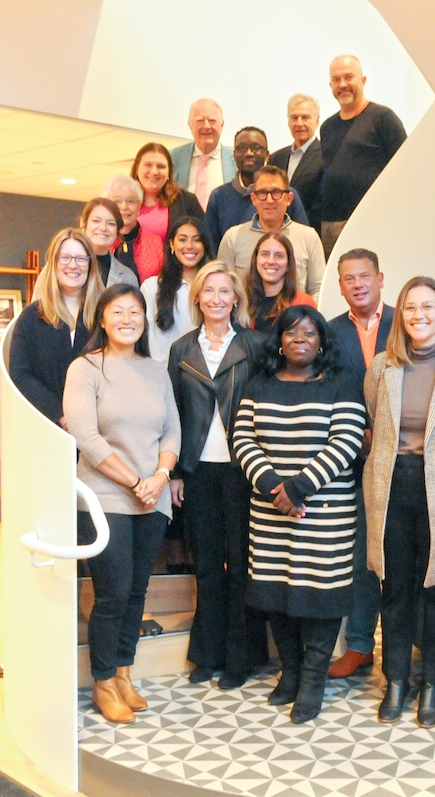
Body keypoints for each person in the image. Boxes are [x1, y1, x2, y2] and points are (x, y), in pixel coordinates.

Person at [232, 306, 366, 722]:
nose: (300, 340)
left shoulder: (342, 384)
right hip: (270, 512)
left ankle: (312, 682)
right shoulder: (259, 384)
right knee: (277, 595)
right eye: (291, 333)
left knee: (321, 599)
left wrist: (298, 488)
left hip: (324, 513)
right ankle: (289, 673)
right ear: (279, 340)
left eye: (309, 333)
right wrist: (275, 488)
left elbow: (346, 442)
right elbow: (242, 439)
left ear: (322, 340)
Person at [364, 277, 435, 727]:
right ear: (401, 316)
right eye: (410, 307)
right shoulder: (382, 368)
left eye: (428, 307)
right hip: (392, 487)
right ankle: (396, 680)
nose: (418, 315)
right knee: (393, 589)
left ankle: (432, 683)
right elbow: (374, 420)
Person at [63, 282, 181, 724]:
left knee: (137, 591)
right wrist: (136, 481)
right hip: (106, 496)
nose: (127, 319)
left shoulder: (155, 370)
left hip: (153, 496)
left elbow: (172, 432)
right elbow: (85, 437)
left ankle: (126, 674)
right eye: (117, 312)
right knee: (111, 594)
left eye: (134, 312)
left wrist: (160, 477)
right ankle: (103, 682)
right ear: (102, 320)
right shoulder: (86, 368)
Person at [166, 261, 266, 689]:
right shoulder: (182, 349)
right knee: (206, 565)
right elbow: (172, 415)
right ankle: (207, 655)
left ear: (236, 299)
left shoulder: (256, 345)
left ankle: (241, 659)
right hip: (198, 472)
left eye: (225, 291)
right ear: (197, 298)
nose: (217, 299)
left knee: (243, 564)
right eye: (209, 291)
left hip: (243, 471)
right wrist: (173, 472)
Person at [324, 248, 394, 678]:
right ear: (340, 286)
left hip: (405, 456)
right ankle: (360, 644)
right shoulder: (330, 332)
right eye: (348, 279)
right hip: (353, 458)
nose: (357, 285)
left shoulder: (405, 321)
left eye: (364, 276)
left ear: (381, 277)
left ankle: (408, 645)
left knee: (405, 556)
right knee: (363, 556)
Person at [9, 228, 103, 427]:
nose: (73, 265)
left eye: (80, 258)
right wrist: (60, 415)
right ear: (54, 263)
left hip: (100, 427)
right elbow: (21, 375)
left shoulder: (106, 315)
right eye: (66, 258)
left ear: (90, 264)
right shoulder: (31, 318)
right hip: (48, 426)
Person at [318, 55, 407, 258]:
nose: (342, 84)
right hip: (331, 226)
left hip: (371, 222)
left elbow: (404, 171)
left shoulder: (384, 119)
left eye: (349, 77)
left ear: (363, 80)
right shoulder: (327, 127)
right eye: (336, 79)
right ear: (330, 84)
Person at [218, 165, 325, 301]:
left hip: (294, 318)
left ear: (289, 198)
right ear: (254, 198)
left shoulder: (309, 237)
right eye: (262, 193)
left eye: (276, 192)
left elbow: (318, 289)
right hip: (246, 319)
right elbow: (223, 287)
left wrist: (304, 318)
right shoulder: (233, 237)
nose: (269, 200)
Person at [202, 127, 310, 252]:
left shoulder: (285, 194)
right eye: (242, 148)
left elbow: (302, 240)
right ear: (234, 154)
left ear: (267, 155)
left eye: (256, 148)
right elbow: (211, 248)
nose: (249, 153)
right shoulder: (218, 196)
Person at [140, 216, 210, 366]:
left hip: (205, 376)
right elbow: (146, 334)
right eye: (182, 240)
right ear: (172, 244)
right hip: (162, 374)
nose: (190, 246)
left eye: (197, 240)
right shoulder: (152, 287)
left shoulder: (214, 288)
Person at [131, 142, 204, 248]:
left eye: (161, 166)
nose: (154, 171)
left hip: (173, 264)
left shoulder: (187, 201)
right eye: (148, 165)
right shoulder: (122, 201)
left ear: (169, 172)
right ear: (137, 169)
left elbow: (204, 240)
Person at [269, 93, 323, 234]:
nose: (299, 123)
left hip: (310, 232)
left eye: (305, 117)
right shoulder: (275, 158)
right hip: (276, 233)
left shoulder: (327, 156)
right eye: (294, 118)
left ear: (317, 121)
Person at [170, 99, 234, 210]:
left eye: (212, 120)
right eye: (199, 121)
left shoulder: (235, 161)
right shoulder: (172, 158)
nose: (206, 126)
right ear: (190, 125)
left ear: (222, 125)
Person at [246, 232, 315, 334]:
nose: (271, 261)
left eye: (279, 256)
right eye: (265, 254)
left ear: (288, 264)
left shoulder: (303, 303)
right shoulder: (243, 302)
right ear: (256, 260)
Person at [104, 174, 165, 283]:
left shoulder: (157, 244)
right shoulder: (99, 243)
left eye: (130, 201)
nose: (124, 207)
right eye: (117, 201)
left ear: (139, 206)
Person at [79, 198, 137, 289]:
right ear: (83, 223)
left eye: (110, 223)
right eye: (96, 221)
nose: (103, 228)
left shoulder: (127, 277)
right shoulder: (63, 266)